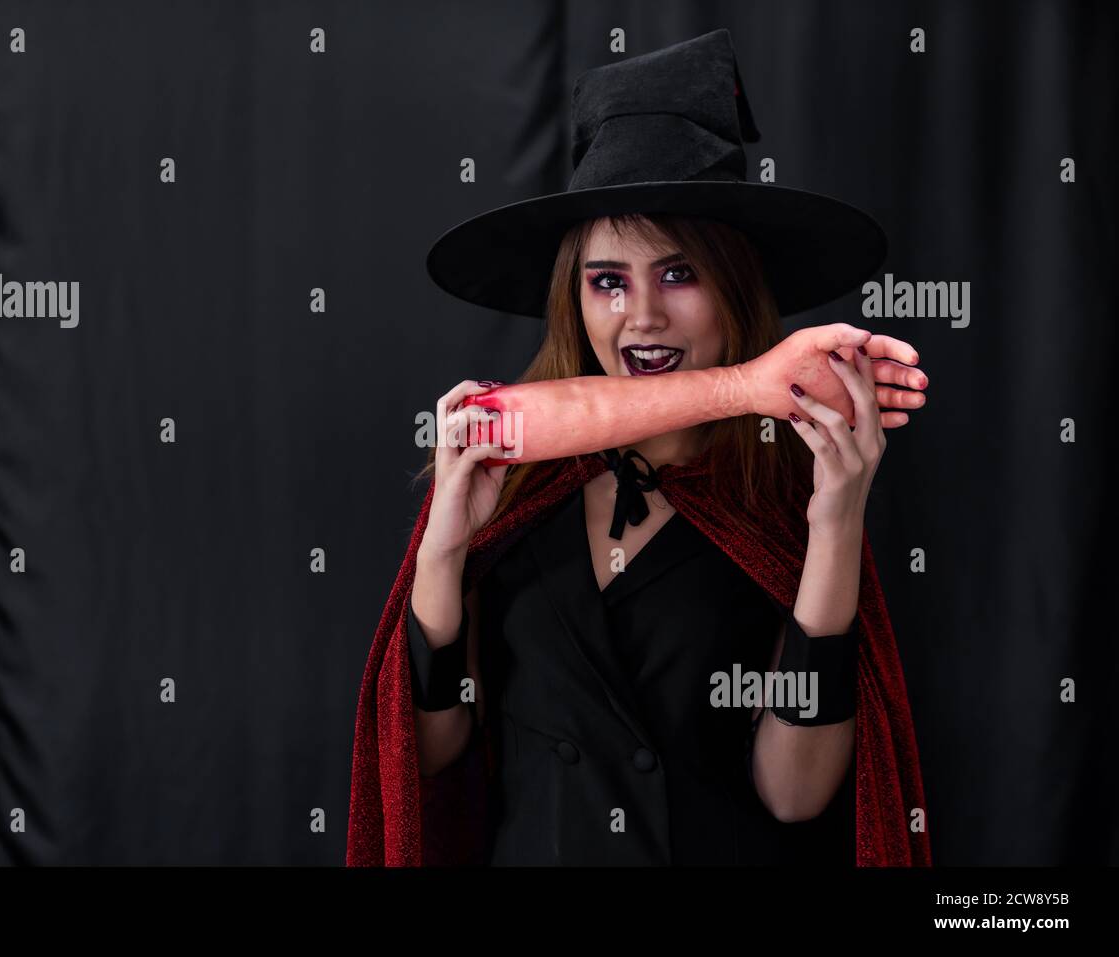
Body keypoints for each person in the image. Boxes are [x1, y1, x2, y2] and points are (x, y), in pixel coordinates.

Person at [347, 29, 932, 867]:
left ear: (734, 290)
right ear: (574, 296)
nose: (642, 316)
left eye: (680, 274)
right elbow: (434, 754)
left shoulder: (780, 500)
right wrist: (442, 554)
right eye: (608, 280)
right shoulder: (514, 492)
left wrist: (835, 527)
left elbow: (793, 793)